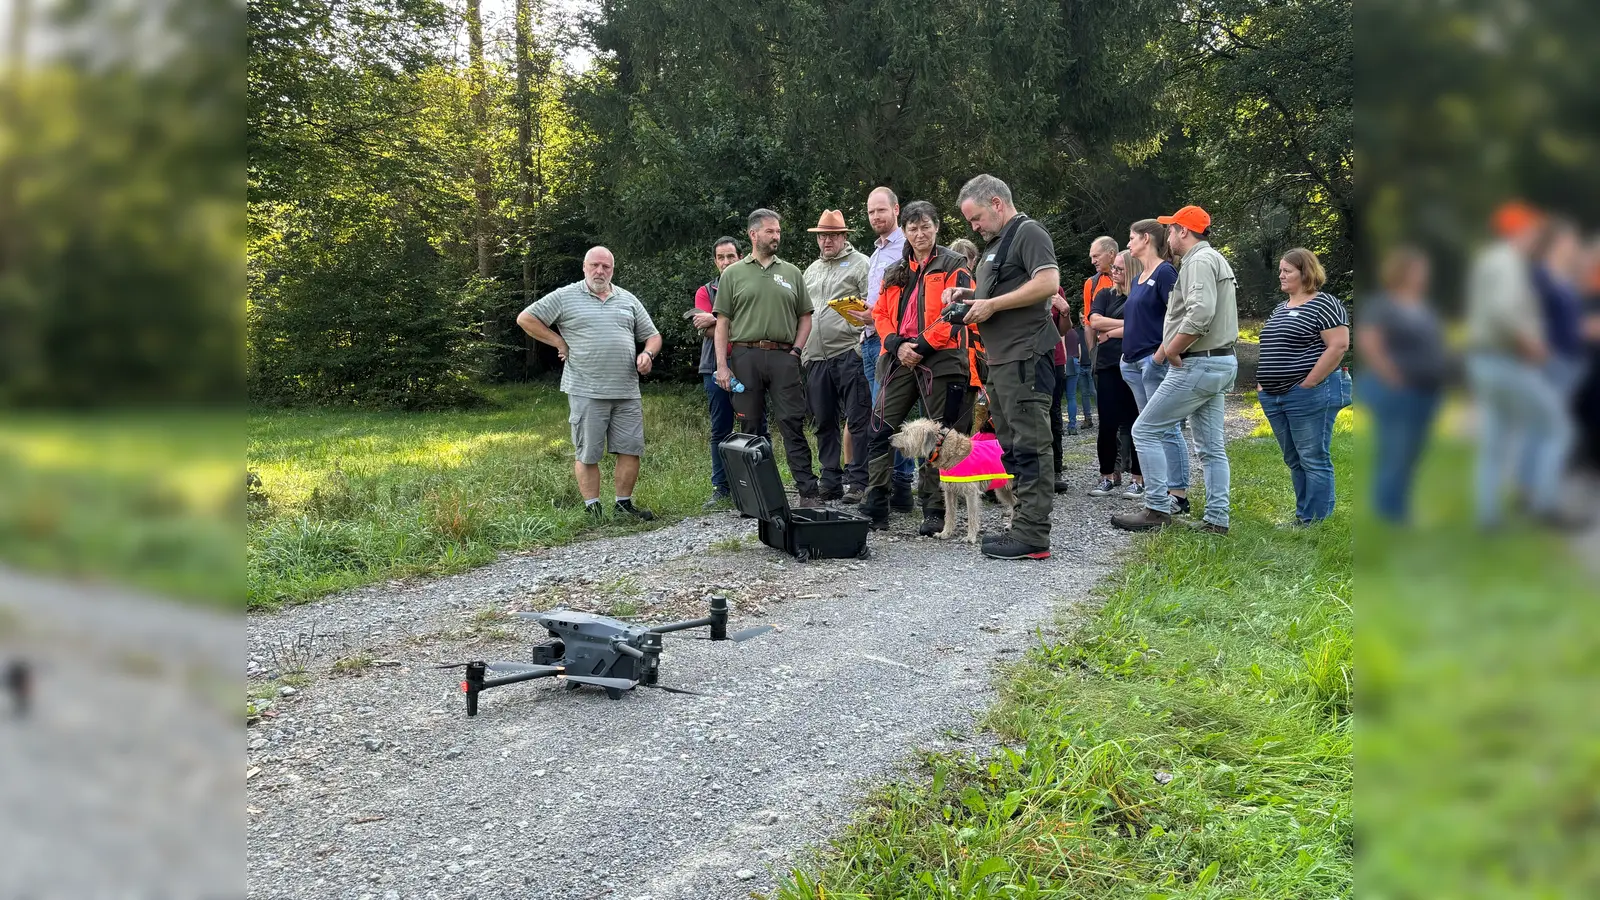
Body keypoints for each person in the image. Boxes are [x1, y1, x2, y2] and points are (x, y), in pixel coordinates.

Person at [947, 174, 1059, 560]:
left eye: (975, 217)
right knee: (1011, 443)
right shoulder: (998, 244)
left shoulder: (1028, 232)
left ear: (996, 203)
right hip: (1000, 359)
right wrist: (971, 296)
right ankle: (1023, 525)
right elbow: (1003, 291)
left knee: (1031, 443)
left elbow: (1047, 283)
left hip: (1025, 355)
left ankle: (1034, 534)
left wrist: (992, 305)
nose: (973, 227)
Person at [1114, 205, 1240, 535]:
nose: (1168, 235)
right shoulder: (1214, 258)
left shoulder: (1198, 261)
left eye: (1171, 230)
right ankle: (1216, 519)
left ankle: (1156, 508)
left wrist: (1169, 350)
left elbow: (1199, 314)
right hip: (1220, 360)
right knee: (1212, 448)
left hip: (1199, 362)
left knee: (1145, 430)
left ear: (1183, 231)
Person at [518, 246, 663, 522]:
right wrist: (558, 341)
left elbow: (653, 335)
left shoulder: (627, 299)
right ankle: (592, 510)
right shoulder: (565, 296)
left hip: (627, 390)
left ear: (612, 270)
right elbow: (526, 319)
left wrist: (647, 353)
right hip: (586, 389)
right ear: (584, 267)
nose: (600, 271)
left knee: (631, 449)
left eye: (606, 267)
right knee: (588, 452)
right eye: (595, 265)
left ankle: (623, 507)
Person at [863, 200, 977, 533]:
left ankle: (935, 509)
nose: (919, 233)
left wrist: (922, 346)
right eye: (912, 228)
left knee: (937, 435)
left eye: (925, 226)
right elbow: (881, 314)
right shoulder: (895, 270)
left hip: (941, 359)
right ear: (904, 231)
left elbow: (959, 312)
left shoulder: (954, 264)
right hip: (898, 358)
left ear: (936, 227)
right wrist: (896, 345)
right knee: (880, 428)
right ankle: (875, 504)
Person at [1465, 201, 1579, 529]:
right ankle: (1546, 505)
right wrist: (1533, 345)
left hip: (1485, 360)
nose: (1536, 236)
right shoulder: (1507, 261)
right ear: (1520, 230)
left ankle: (1488, 519)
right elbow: (1503, 311)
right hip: (1506, 360)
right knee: (1557, 427)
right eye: (1532, 230)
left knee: (1494, 443)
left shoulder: (1492, 259)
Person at [713, 209, 822, 506]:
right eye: (770, 231)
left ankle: (808, 492)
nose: (776, 236)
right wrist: (722, 366)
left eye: (778, 231)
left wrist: (796, 352)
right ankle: (753, 496)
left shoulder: (791, 272)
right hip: (745, 356)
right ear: (753, 234)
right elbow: (721, 323)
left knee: (792, 423)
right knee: (749, 427)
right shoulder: (733, 274)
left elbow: (805, 317)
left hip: (783, 357)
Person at [1255, 248, 1352, 526]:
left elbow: (1339, 346)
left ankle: (1316, 520)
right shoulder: (1280, 308)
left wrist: (1309, 382)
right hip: (1274, 396)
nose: (1281, 275)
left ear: (1305, 273)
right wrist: (1263, 384)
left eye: (1288, 271)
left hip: (1307, 393)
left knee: (1313, 457)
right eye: (1281, 270)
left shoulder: (1325, 305)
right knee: (1294, 458)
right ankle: (1304, 515)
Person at [1359, 245, 1447, 524]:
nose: (1423, 275)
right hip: (1397, 391)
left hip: (1428, 390)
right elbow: (1369, 342)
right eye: (1418, 269)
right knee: (1396, 450)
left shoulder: (1423, 306)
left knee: (1413, 452)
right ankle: (1389, 513)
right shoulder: (1383, 305)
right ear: (1402, 271)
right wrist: (1391, 376)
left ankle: (1399, 507)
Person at [801, 209, 873, 503]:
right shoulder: (811, 270)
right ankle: (829, 480)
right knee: (824, 421)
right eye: (822, 236)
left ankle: (858, 481)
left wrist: (860, 345)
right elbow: (802, 311)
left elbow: (873, 307)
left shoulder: (861, 264)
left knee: (857, 419)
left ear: (845, 236)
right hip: (817, 357)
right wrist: (804, 351)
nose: (826, 240)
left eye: (832, 235)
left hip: (848, 352)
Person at [1119, 218, 1190, 512]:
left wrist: (1161, 354)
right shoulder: (1137, 278)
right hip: (1133, 364)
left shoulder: (1164, 273)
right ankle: (1158, 492)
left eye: (1132, 238)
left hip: (1153, 363)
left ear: (1146, 238)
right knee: (1148, 429)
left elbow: (1178, 316)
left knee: (1166, 428)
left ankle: (1178, 495)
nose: (1128, 244)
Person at [691, 236, 766, 509]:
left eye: (730, 257)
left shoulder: (751, 284)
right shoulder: (705, 291)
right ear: (715, 261)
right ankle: (721, 486)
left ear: (740, 257)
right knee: (720, 427)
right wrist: (729, 322)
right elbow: (706, 327)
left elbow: (758, 322)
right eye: (720, 257)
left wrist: (718, 318)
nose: (725, 262)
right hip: (713, 367)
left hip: (750, 365)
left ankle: (759, 481)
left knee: (755, 424)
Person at [863, 186, 917, 503]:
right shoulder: (876, 252)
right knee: (879, 417)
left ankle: (901, 484)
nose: (876, 216)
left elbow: (911, 301)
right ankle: (883, 486)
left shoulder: (906, 248)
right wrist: (863, 314)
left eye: (881, 210)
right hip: (871, 339)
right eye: (871, 211)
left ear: (896, 210)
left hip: (896, 343)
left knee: (896, 415)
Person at [1087, 250, 1143, 498]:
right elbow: (1094, 321)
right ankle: (1107, 475)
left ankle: (1138, 478)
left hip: (1134, 364)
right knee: (1107, 423)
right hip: (1108, 365)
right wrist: (1126, 326)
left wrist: (1111, 331)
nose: (1114, 273)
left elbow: (1144, 324)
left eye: (1119, 269)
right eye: (1114, 269)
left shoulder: (1141, 296)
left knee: (1136, 422)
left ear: (1131, 269)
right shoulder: (1105, 294)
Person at [1079, 237, 1118, 429]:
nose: (1093, 261)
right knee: (1108, 409)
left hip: (1129, 350)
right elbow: (1088, 323)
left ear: (1111, 253)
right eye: (1091, 257)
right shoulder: (1091, 284)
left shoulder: (1133, 276)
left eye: (1096, 255)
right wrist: (1092, 352)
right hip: (1103, 354)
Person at [1048, 289, 1078, 493]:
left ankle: (1055, 469)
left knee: (1054, 413)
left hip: (1055, 359)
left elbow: (1063, 331)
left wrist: (1065, 311)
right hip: (1027, 359)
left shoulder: (1056, 291)